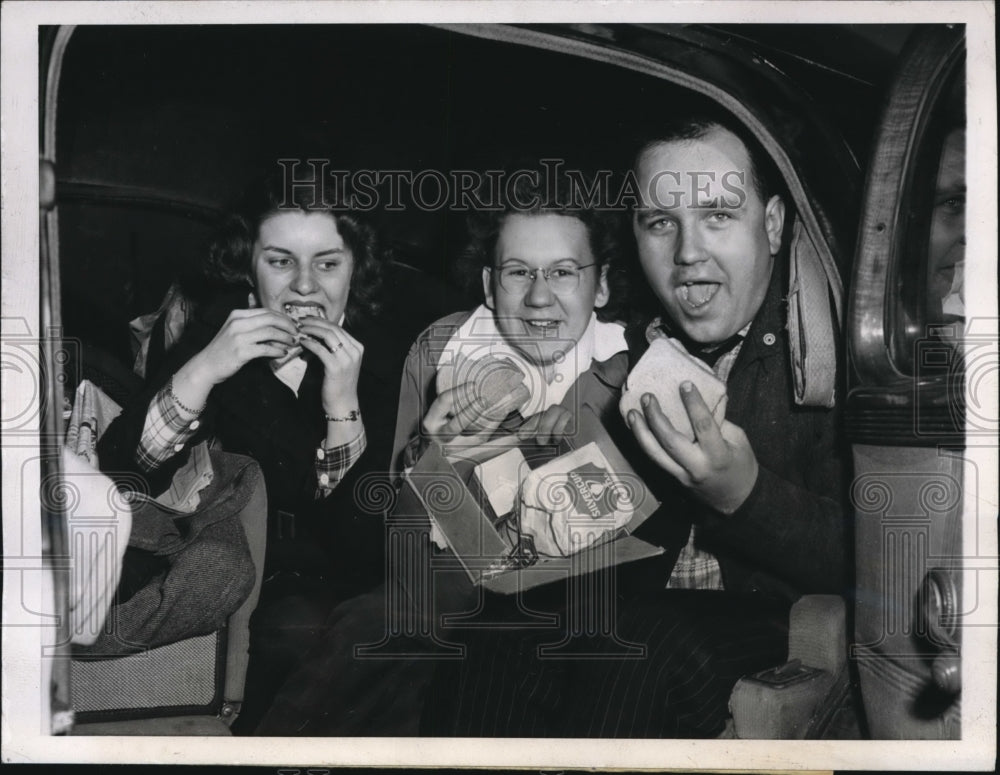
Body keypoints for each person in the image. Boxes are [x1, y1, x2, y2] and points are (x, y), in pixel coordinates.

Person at [254, 167, 633, 735]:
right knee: (395, 630)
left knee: (390, 626)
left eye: (563, 273)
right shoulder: (438, 350)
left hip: (573, 596)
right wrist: (430, 455)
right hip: (438, 587)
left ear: (600, 287)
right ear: (487, 284)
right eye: (517, 273)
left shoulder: (630, 374)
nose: (537, 297)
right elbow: (397, 546)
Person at [560, 112, 850, 737]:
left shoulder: (841, 350)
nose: (688, 253)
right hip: (632, 616)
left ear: (771, 226)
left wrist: (744, 497)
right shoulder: (626, 350)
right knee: (499, 638)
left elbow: (881, 563)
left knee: (638, 640)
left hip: (777, 631)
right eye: (661, 222)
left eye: (719, 215)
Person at [98, 171, 402, 728]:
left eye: (328, 264)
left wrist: (342, 406)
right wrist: (204, 369)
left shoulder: (390, 357)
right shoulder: (215, 334)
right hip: (237, 579)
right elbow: (123, 472)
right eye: (281, 261)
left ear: (356, 270)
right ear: (249, 266)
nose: (305, 287)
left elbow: (367, 554)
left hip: (340, 593)